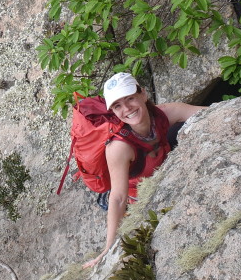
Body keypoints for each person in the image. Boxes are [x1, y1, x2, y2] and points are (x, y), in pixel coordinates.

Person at [83, 73, 202, 269]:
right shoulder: (119, 148)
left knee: (181, 128)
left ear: (144, 94)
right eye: (117, 106)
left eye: (130, 98)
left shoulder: (165, 114)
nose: (127, 109)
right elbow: (118, 198)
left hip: (161, 175)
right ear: (112, 111)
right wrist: (109, 248)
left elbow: (216, 112)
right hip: (136, 200)